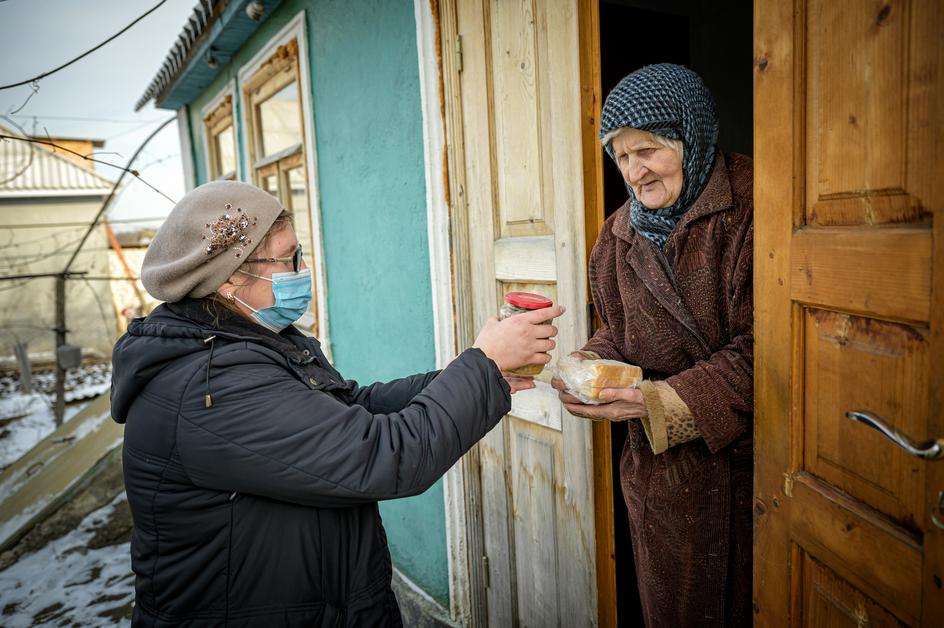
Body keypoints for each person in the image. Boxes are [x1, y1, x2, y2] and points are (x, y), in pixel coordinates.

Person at [111, 180, 562, 627]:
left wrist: (468, 376)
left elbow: (353, 409)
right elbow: (381, 454)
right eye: (289, 258)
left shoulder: (248, 346)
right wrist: (481, 364)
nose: (302, 269)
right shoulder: (211, 386)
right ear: (230, 278)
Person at [553, 64, 753, 626]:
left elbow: (769, 350)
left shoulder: (756, 207)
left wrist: (658, 402)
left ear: (691, 135)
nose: (633, 171)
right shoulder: (616, 235)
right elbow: (619, 327)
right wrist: (589, 359)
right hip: (664, 479)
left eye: (647, 150)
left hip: (749, 468)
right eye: (620, 155)